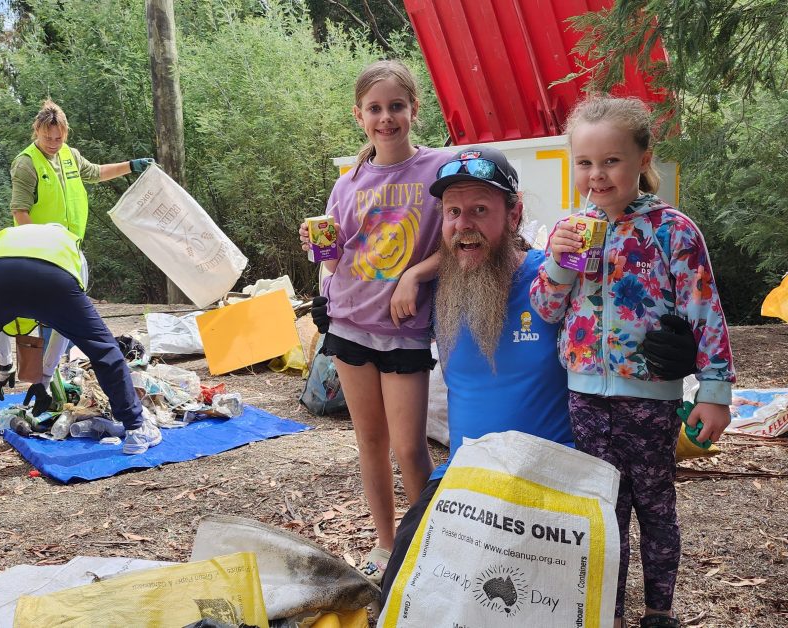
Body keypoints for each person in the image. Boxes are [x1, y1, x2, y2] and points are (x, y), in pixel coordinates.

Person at [377, 146, 699, 610]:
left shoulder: (558, 282)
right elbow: (372, 324)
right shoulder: (435, 290)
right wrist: (341, 302)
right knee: (404, 594)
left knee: (550, 608)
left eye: (480, 210)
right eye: (453, 212)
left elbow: (630, 310)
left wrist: (679, 353)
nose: (463, 223)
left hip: (554, 479)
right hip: (466, 477)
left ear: (514, 215)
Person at [530, 96, 735, 628]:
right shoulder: (571, 230)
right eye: (584, 163)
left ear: (643, 159)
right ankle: (609, 612)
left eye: (611, 161)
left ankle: (658, 612)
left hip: (649, 399)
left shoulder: (673, 230)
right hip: (585, 397)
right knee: (604, 512)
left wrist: (714, 391)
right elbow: (547, 309)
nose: (597, 175)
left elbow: (705, 310)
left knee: (656, 508)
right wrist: (558, 260)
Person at [298, 60, 444, 585]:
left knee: (410, 447)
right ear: (359, 116)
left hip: (403, 330)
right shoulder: (349, 181)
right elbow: (340, 258)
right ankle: (386, 548)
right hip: (348, 325)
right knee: (371, 443)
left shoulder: (439, 170)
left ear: (414, 110)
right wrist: (321, 253)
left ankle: (426, 544)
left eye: (396, 107)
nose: (387, 118)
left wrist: (415, 276)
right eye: (376, 109)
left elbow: (463, 241)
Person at [0, 99, 154, 408]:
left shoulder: (71, 156)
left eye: (60, 137)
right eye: (48, 137)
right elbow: (19, 210)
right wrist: (39, 245)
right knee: (27, 316)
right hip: (40, 251)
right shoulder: (26, 163)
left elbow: (95, 172)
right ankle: (15, 370)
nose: (54, 143)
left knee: (61, 321)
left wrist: (130, 166)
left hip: (71, 249)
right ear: (37, 130)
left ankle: (49, 380)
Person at [0, 223, 161, 461]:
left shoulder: (5, 240)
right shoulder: (71, 245)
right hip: (51, 275)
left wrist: (6, 366)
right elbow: (66, 329)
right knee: (103, 349)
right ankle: (136, 430)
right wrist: (44, 377)